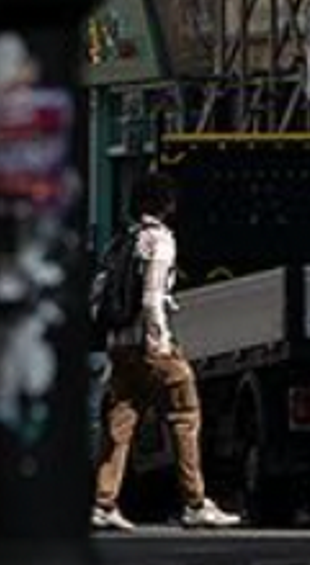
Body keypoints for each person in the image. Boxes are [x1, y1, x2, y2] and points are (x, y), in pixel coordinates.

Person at [91, 164, 237, 532]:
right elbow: (153, 296)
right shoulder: (160, 240)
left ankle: (103, 502)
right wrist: (162, 343)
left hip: (120, 345)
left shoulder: (121, 240)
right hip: (150, 345)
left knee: (120, 422)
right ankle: (195, 502)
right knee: (185, 414)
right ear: (167, 204)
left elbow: (98, 291)